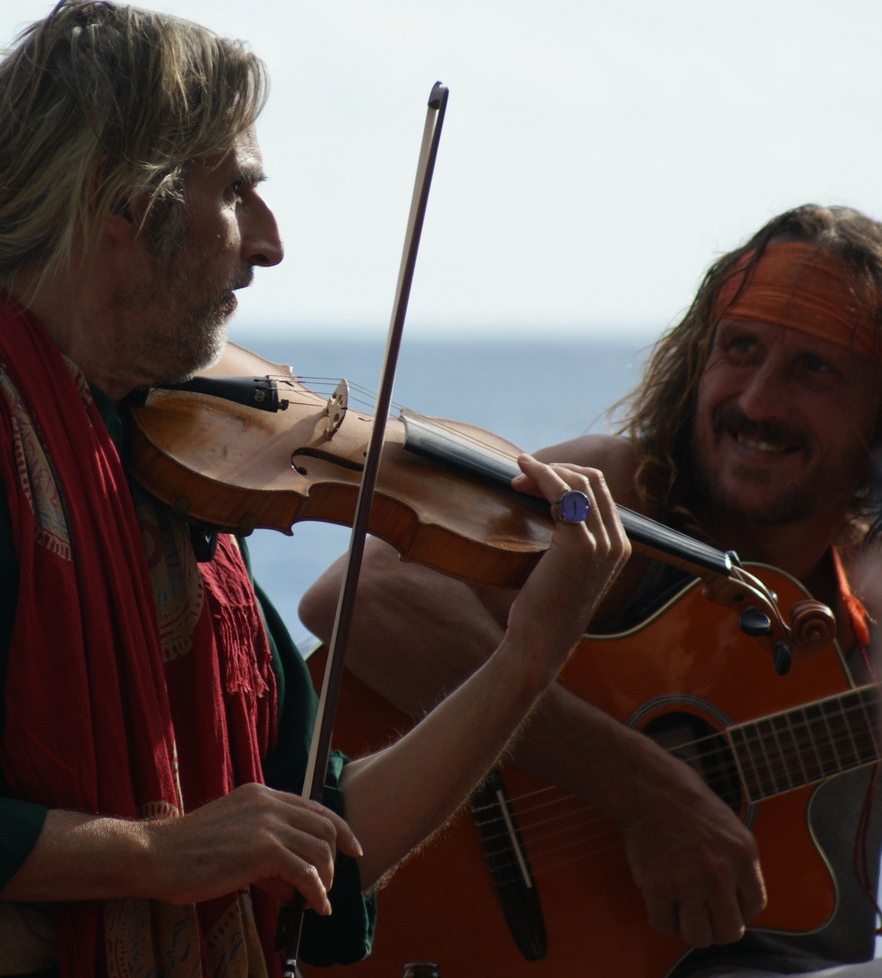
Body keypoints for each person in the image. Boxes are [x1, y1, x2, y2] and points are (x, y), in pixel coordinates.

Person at [0, 0, 632, 978]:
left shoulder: (175, 462)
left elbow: (317, 837)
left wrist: (527, 654)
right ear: (128, 206)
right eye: (237, 191)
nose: (269, 241)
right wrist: (159, 855)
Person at [300, 203, 882, 977]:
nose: (758, 401)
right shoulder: (618, 497)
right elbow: (354, 593)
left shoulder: (852, 623)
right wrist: (646, 792)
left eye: (814, 369)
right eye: (740, 349)